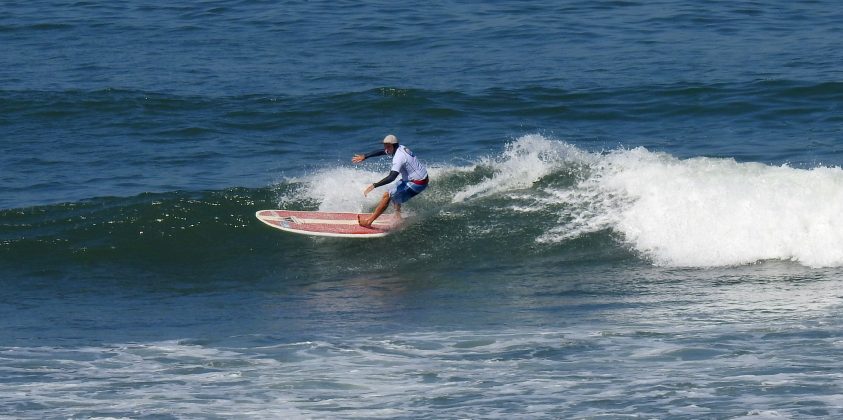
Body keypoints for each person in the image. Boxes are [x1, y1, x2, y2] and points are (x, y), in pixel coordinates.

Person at [352, 134, 429, 227]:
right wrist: (365, 156)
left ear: (394, 145)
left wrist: (374, 185)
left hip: (418, 182)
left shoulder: (399, 156)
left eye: (388, 146)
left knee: (387, 195)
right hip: (415, 177)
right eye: (385, 145)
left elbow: (392, 177)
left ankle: (369, 222)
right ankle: (398, 216)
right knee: (394, 190)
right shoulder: (400, 147)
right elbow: (381, 152)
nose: (386, 148)